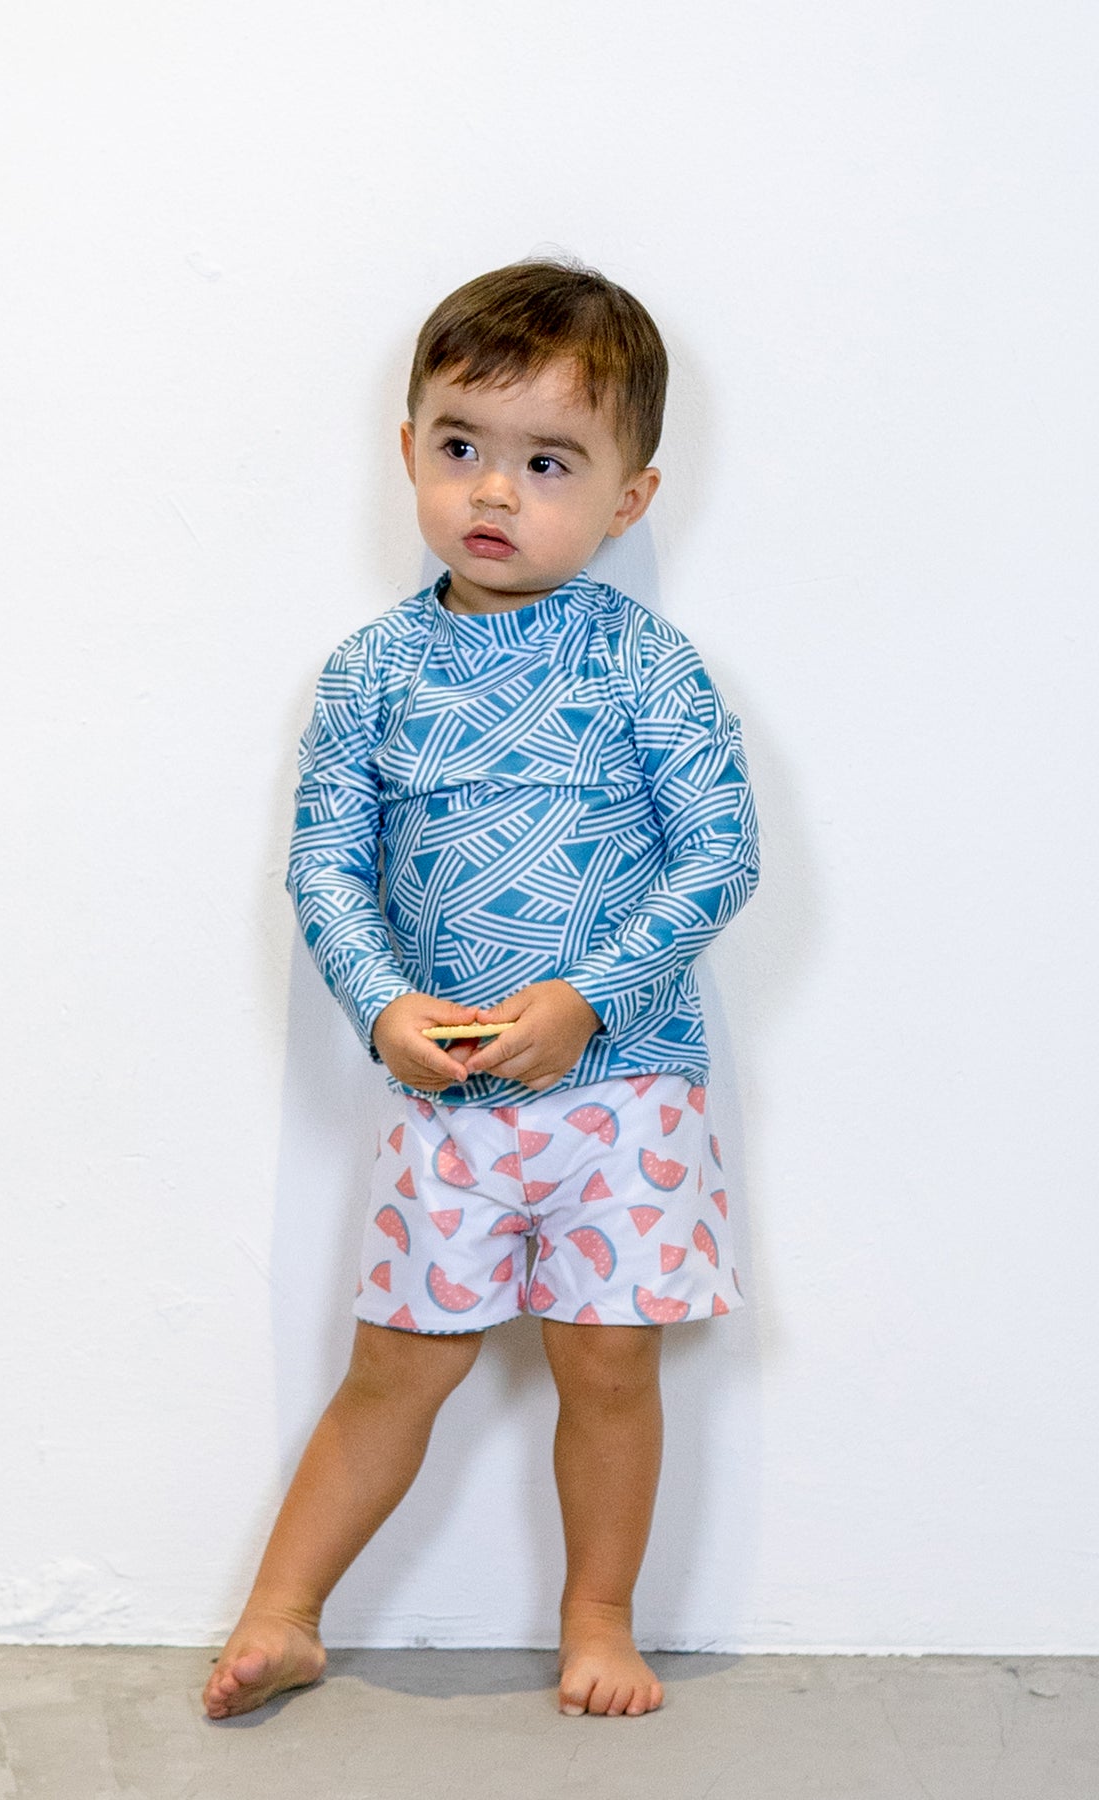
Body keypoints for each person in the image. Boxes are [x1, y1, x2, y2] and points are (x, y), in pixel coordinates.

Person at [203, 259, 760, 1722]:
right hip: (447, 1092)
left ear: (631, 498)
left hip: (625, 1096)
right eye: (462, 446)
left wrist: (590, 998)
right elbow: (326, 866)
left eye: (548, 462)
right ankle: (283, 1614)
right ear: (409, 452)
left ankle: (600, 1618)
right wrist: (382, 1006)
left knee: (609, 1362)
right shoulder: (374, 673)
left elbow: (719, 855)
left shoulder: (647, 665)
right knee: (399, 1364)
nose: (494, 490)